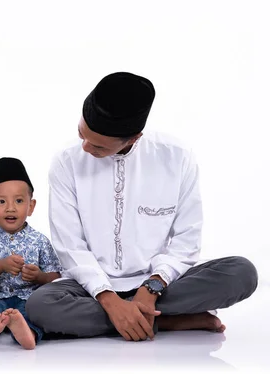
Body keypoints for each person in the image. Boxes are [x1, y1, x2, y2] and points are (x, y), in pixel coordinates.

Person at [25, 72, 259, 342]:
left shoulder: (176, 156)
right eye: (81, 133)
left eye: (99, 145)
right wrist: (109, 299)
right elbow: (70, 246)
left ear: (133, 138)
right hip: (88, 287)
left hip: (160, 284)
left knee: (242, 273)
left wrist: (152, 287)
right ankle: (169, 320)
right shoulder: (66, 162)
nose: (86, 147)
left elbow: (186, 240)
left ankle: (137, 315)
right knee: (41, 307)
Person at [0, 157, 62, 350]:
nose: (11, 208)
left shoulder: (40, 240)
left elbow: (56, 277)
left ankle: (26, 332)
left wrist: (39, 277)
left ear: (31, 206)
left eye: (19, 201)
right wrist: (0, 266)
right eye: (1, 201)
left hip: (28, 297)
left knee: (28, 313)